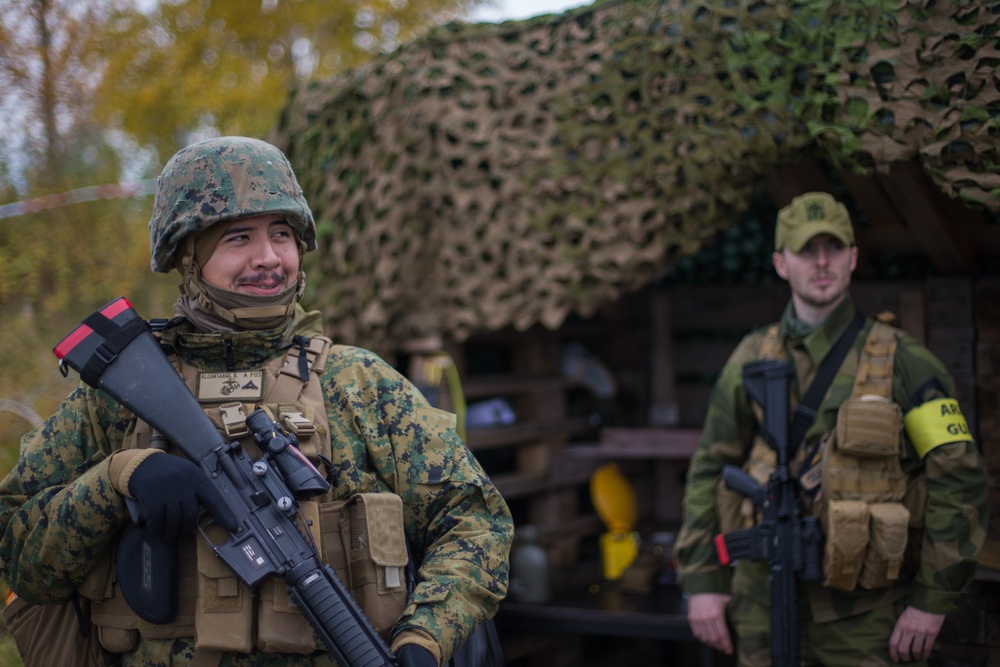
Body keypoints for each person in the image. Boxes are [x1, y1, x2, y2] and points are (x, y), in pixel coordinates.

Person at [0, 136, 513, 667]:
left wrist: (425, 638)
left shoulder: (358, 385)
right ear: (188, 256)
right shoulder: (115, 398)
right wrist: (116, 479)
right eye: (238, 238)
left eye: (282, 235)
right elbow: (16, 553)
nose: (268, 258)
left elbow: (476, 521)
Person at [675, 192, 989, 666]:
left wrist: (931, 601)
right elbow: (710, 468)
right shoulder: (751, 359)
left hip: (865, 619)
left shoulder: (904, 361)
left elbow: (958, 478)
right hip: (762, 603)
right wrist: (702, 583)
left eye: (834, 247)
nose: (821, 262)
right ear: (781, 264)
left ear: (853, 258)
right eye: (806, 250)